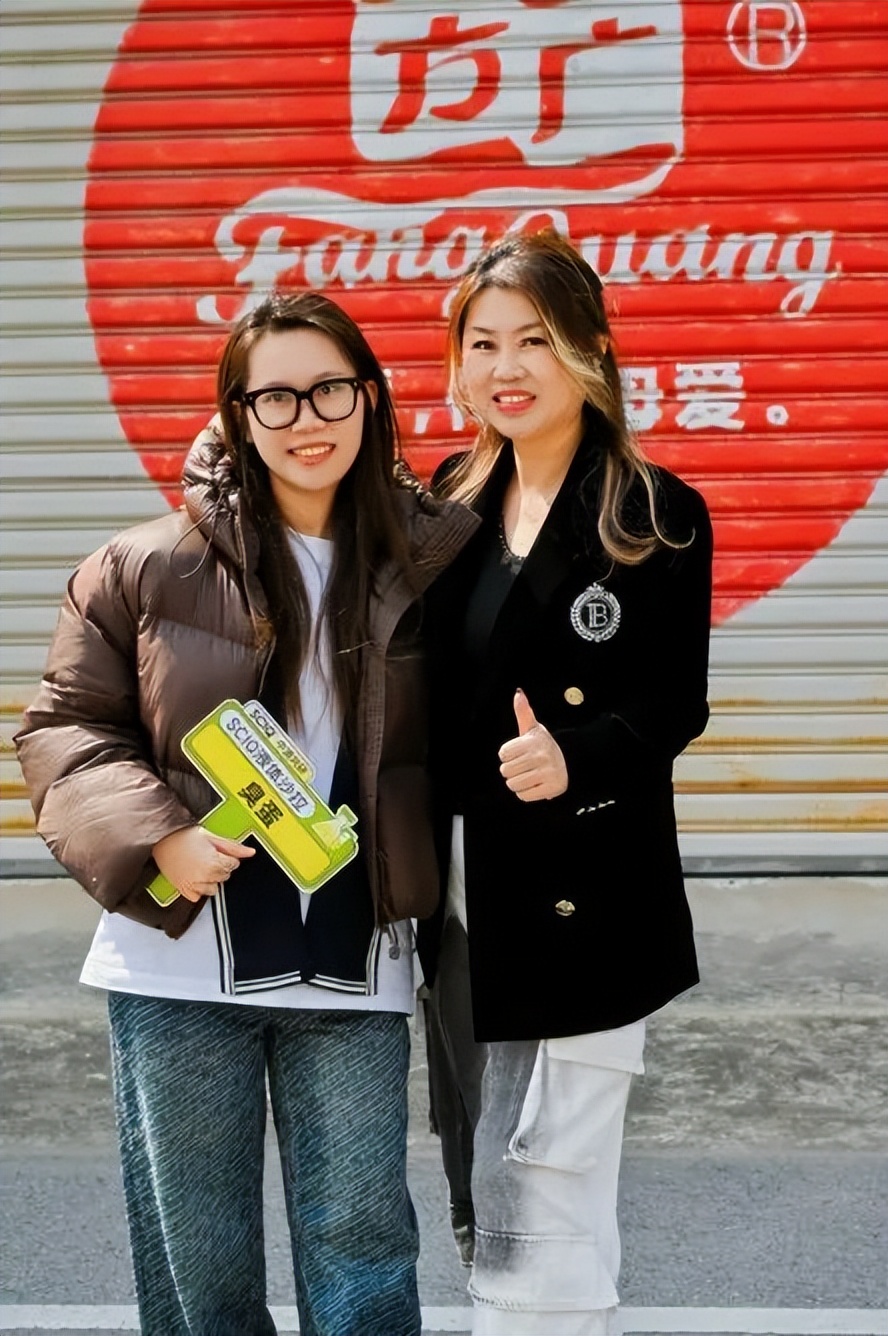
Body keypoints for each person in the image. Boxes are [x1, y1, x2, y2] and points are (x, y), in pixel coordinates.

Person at [15, 292, 477, 1336]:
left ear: (370, 398)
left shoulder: (432, 565)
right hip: (178, 959)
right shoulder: (143, 565)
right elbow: (65, 727)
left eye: (330, 390)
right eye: (276, 397)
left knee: (364, 1247)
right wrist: (159, 838)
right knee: (200, 1262)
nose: (307, 418)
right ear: (237, 413)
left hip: (356, 954)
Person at [418, 229, 713, 1336]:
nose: (507, 368)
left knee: (552, 1163)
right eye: (483, 342)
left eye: (534, 340)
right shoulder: (448, 498)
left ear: (591, 346)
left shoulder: (654, 512)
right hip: (462, 892)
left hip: (586, 886)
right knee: (486, 1159)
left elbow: (673, 704)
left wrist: (575, 756)